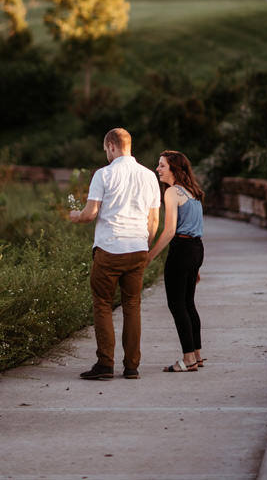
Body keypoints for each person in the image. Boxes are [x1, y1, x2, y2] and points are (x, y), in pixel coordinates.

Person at [65, 127, 161, 380]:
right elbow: (154, 221)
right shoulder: (150, 176)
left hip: (109, 250)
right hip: (138, 248)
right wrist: (144, 245)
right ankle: (131, 366)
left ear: (110, 146)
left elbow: (90, 213)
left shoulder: (103, 174)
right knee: (132, 306)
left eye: (105, 149)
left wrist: (74, 216)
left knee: (103, 305)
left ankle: (105, 365)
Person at [149, 150, 206, 372]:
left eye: (162, 165)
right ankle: (197, 356)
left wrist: (149, 256)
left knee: (177, 305)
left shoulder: (172, 192)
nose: (158, 169)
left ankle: (188, 360)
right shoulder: (192, 192)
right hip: (196, 249)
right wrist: (195, 264)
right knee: (188, 303)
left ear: (174, 168)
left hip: (182, 250)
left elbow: (170, 230)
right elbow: (197, 229)